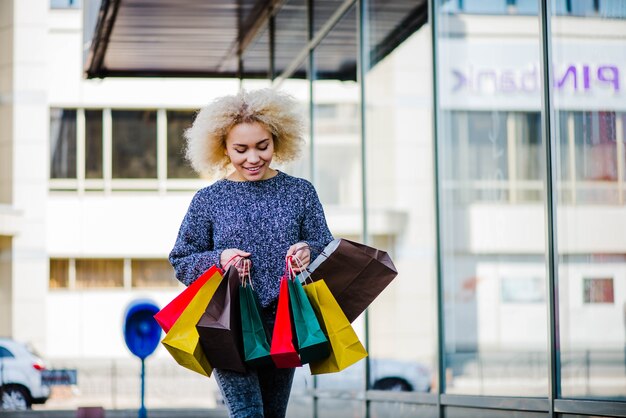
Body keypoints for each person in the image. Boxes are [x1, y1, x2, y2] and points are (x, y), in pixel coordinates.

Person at [169, 88, 334, 418]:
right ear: (223, 148)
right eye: (240, 149)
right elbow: (181, 259)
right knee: (248, 415)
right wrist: (220, 259)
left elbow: (325, 247)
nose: (253, 158)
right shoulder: (208, 200)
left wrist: (308, 250)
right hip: (228, 325)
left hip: (284, 325)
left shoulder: (300, 193)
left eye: (262, 146)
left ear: (277, 140)